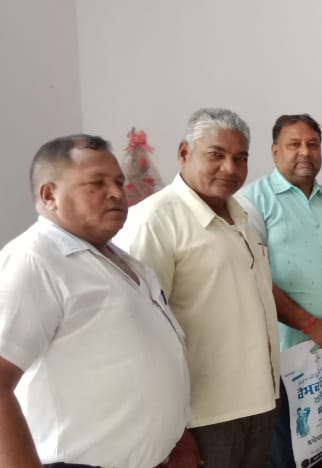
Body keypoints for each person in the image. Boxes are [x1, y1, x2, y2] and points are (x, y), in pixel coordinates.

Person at [0, 135, 192, 467]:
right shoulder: (35, 260)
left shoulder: (127, 263)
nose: (116, 192)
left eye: (118, 181)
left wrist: (174, 435)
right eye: (96, 184)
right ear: (49, 195)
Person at [115, 108, 280, 467]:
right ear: (184, 153)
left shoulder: (241, 217)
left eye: (240, 158)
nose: (230, 168)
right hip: (202, 416)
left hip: (257, 404)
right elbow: (141, 334)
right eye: (216, 155)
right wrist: (174, 432)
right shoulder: (156, 221)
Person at [238, 114, 322, 468]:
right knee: (286, 452)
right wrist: (312, 325)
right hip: (282, 359)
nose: (305, 152)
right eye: (294, 144)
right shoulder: (251, 202)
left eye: (312, 144)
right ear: (274, 151)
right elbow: (254, 277)